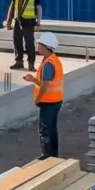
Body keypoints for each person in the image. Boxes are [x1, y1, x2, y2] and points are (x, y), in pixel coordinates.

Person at [24, 31, 65, 160]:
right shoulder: (52, 59)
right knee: (52, 129)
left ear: (46, 46)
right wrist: (33, 80)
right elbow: (46, 82)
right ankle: (54, 155)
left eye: (40, 44)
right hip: (55, 101)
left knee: (45, 130)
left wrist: (38, 98)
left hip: (48, 102)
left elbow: (46, 85)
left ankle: (47, 155)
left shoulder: (48, 64)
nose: (38, 46)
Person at [5, 0, 42, 71]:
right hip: (18, 21)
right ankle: (19, 61)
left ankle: (31, 64)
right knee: (17, 42)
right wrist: (8, 20)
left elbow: (39, 9)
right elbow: (12, 7)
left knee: (29, 43)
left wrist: (38, 23)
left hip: (29, 22)